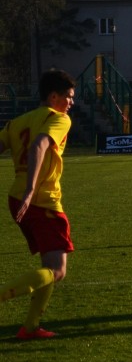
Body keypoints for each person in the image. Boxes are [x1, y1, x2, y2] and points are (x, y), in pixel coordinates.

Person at [0, 69, 76, 340]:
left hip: (15, 199)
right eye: (68, 97)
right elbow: (39, 146)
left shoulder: (16, 122)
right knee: (57, 270)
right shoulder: (58, 118)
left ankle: (30, 328)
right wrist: (33, 188)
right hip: (41, 201)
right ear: (53, 96)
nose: (71, 103)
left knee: (49, 264)